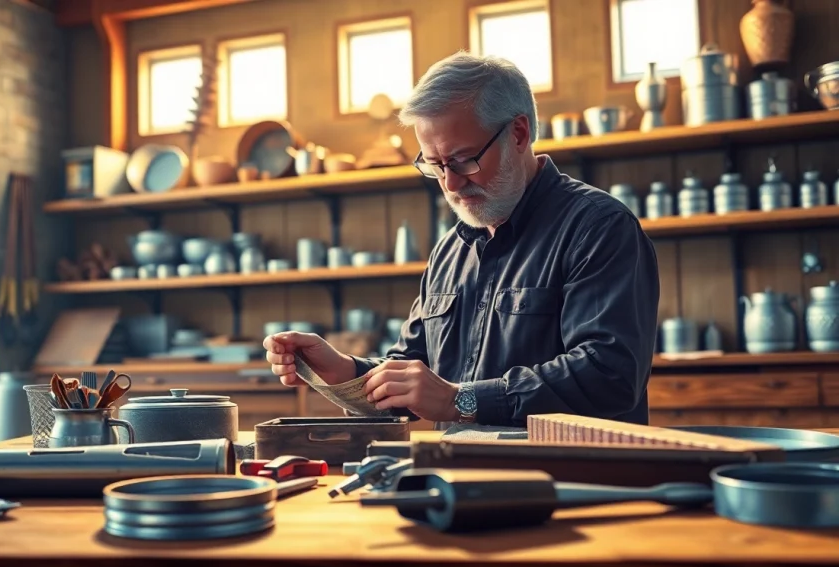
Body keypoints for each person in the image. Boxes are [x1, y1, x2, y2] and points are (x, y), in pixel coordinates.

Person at [263, 51, 660, 428]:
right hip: (465, 479)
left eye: (463, 159)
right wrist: (343, 372)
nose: (451, 183)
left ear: (518, 133)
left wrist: (461, 400)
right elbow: (414, 373)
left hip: (574, 485)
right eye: (434, 165)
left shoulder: (599, 227)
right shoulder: (450, 251)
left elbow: (609, 375)